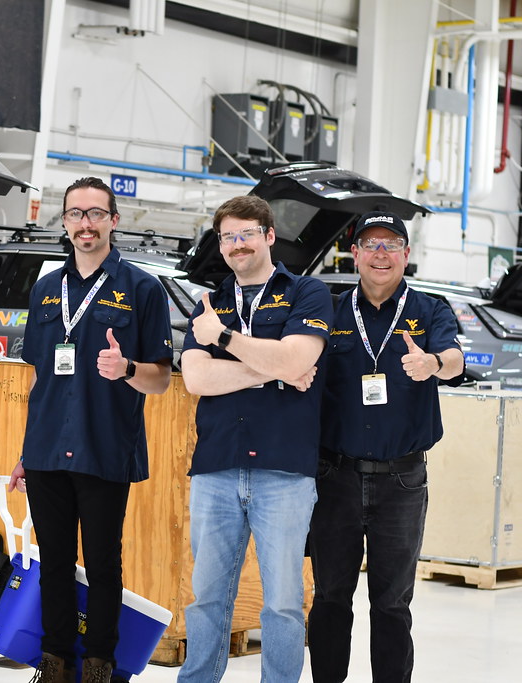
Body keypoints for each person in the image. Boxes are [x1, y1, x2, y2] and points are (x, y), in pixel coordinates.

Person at [7, 176, 173, 683]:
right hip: (47, 451)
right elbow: (38, 377)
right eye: (76, 213)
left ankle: (99, 666)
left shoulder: (142, 288)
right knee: (53, 562)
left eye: (96, 213)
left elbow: (162, 379)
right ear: (64, 221)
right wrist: (24, 451)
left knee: (103, 564)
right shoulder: (44, 290)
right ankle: (54, 665)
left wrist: (126, 370)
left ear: (113, 221)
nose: (86, 223)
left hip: (105, 448)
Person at [176, 194, 332, 683]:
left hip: (284, 471)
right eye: (228, 237)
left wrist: (223, 340)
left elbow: (297, 360)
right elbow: (196, 380)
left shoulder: (307, 292)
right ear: (219, 245)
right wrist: (271, 370)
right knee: (206, 597)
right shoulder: (210, 301)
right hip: (216, 467)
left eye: (246, 233)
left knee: (284, 602)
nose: (237, 244)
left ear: (269, 236)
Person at [308, 211, 464, 683]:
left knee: (392, 603)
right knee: (331, 597)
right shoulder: (328, 309)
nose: (380, 253)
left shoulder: (429, 308)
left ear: (406, 255)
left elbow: (455, 361)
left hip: (402, 480)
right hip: (335, 477)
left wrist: (432, 362)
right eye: (370, 244)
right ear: (353, 254)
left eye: (391, 244)